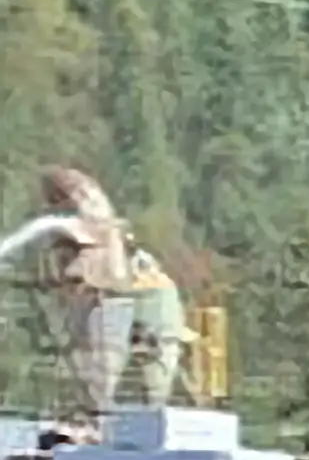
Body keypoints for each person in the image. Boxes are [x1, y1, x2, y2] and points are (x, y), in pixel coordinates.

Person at [3, 168, 186, 419]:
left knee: (137, 383)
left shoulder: (87, 233)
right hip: (118, 297)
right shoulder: (78, 233)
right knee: (101, 379)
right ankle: (100, 421)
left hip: (128, 300)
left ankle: (111, 422)